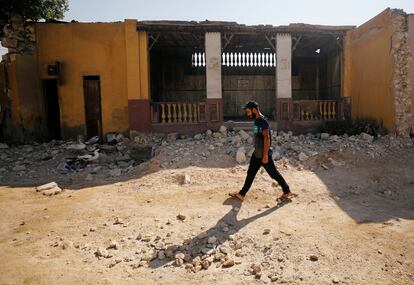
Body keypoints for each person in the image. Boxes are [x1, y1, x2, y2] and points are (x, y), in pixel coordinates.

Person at [229, 101, 295, 202]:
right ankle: (242, 194)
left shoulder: (262, 121)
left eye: (248, 112)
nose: (248, 114)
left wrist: (265, 155)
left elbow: (267, 138)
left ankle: (286, 191)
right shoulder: (258, 119)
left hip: (263, 154)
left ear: (254, 110)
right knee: (251, 173)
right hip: (257, 153)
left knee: (274, 174)